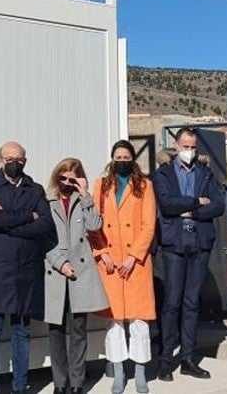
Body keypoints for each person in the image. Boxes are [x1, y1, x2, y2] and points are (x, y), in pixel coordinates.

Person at [0, 141, 54, 394]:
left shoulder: (36, 189)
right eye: (10, 158)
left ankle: (20, 386)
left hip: (26, 271)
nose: (15, 163)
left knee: (22, 331)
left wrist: (9, 220)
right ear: (0, 160)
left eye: (19, 159)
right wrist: (26, 215)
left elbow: (44, 224)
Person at [152, 128, 225, 380]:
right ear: (176, 144)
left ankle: (188, 359)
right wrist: (195, 201)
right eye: (185, 146)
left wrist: (192, 212)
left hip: (199, 243)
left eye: (193, 147)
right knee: (172, 303)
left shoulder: (206, 173)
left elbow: (218, 205)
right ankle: (164, 360)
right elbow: (167, 204)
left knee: (192, 303)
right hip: (173, 245)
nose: (190, 151)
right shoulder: (163, 174)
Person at [92, 140, 157, 394]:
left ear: (132, 158)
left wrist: (134, 256)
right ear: (112, 159)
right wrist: (102, 252)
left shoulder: (145, 185)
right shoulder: (101, 185)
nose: (122, 160)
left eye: (126, 156)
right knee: (115, 320)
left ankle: (140, 371)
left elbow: (148, 225)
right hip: (110, 262)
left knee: (139, 319)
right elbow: (93, 223)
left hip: (136, 262)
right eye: (118, 156)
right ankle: (118, 371)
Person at [43, 158, 109, 394]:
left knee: (79, 331)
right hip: (56, 271)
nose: (66, 182)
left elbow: (94, 226)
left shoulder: (82, 200)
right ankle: (61, 384)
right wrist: (61, 264)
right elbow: (43, 238)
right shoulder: (46, 201)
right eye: (62, 177)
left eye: (72, 178)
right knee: (56, 332)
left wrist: (85, 193)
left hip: (80, 273)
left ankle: (77, 382)